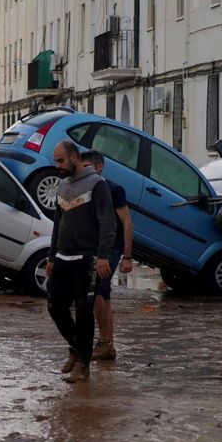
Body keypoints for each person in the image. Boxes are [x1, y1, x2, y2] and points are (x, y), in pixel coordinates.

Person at [45, 140, 116, 383]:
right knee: (55, 306)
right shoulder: (62, 185)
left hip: (87, 259)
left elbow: (108, 222)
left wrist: (103, 256)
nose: (58, 166)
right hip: (63, 258)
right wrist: (52, 256)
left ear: (74, 157)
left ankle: (83, 366)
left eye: (61, 161)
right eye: (56, 162)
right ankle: (77, 349)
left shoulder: (97, 184)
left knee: (85, 311)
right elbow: (58, 224)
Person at [80, 150, 134, 362]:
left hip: (111, 248)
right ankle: (107, 344)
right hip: (94, 248)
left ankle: (104, 343)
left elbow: (127, 223)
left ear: (98, 167)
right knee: (103, 295)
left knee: (96, 293)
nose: (82, 172)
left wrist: (127, 256)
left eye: (86, 167)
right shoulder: (85, 189)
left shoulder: (113, 189)